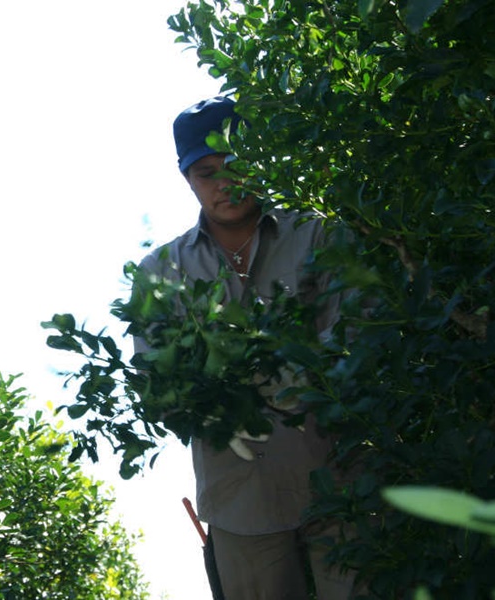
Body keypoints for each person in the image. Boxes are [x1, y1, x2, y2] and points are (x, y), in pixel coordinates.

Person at [134, 96, 352, 599]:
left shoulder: (319, 232)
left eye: (234, 163)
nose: (224, 182)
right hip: (239, 504)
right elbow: (157, 381)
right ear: (187, 178)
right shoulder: (159, 272)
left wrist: (277, 381)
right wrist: (204, 407)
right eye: (207, 171)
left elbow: (356, 336)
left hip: (345, 484)